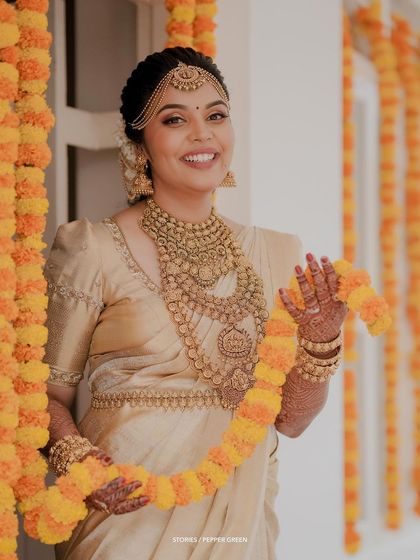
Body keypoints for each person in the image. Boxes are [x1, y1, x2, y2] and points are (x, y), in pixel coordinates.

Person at [44, 46, 347, 560]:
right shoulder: (91, 248)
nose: (202, 134)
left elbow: (290, 421)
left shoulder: (277, 253)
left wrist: (321, 340)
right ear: (140, 143)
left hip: (240, 515)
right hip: (127, 517)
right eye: (175, 119)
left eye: (216, 115)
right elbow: (44, 397)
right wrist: (81, 467)